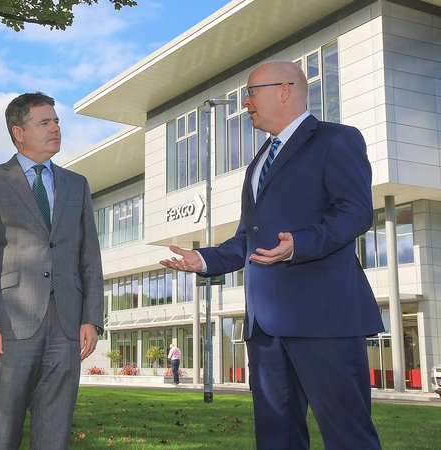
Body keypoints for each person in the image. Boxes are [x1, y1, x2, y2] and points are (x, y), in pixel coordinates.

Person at [161, 61, 383, 449]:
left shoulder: (337, 139)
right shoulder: (259, 162)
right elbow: (249, 238)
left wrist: (300, 243)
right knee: (276, 437)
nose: (245, 103)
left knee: (348, 436)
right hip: (265, 329)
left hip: (324, 320)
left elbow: (355, 212)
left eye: (251, 92)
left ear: (284, 89)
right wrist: (205, 260)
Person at [0, 92, 104, 450]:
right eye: (45, 122)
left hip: (68, 323)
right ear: (19, 131)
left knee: (56, 427)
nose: (56, 127)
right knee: (3, 426)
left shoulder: (78, 184)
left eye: (56, 121)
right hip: (11, 323)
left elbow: (90, 257)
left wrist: (92, 317)